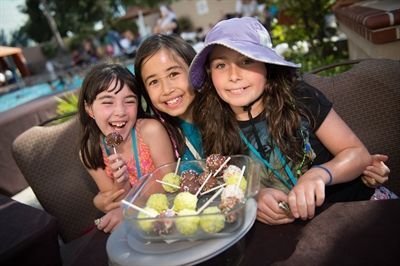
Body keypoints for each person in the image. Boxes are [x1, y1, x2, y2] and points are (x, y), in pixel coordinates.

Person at [189, 17, 395, 225]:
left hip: (355, 209)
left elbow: (357, 154)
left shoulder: (299, 97)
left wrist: (319, 174)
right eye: (221, 65)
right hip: (291, 235)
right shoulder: (212, 122)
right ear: (209, 73)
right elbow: (225, 181)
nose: (233, 76)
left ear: (267, 65)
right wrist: (254, 196)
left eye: (246, 60)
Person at [78, 63, 175, 232]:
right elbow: (115, 202)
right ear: (89, 109)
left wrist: (124, 206)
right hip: (134, 225)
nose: (120, 111)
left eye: (129, 101)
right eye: (107, 102)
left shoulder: (150, 131)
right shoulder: (89, 151)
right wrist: (121, 183)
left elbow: (170, 185)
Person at [134, 34, 204, 161]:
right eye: (154, 82)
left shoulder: (227, 113)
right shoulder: (157, 136)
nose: (167, 89)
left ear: (195, 69)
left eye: (173, 74)